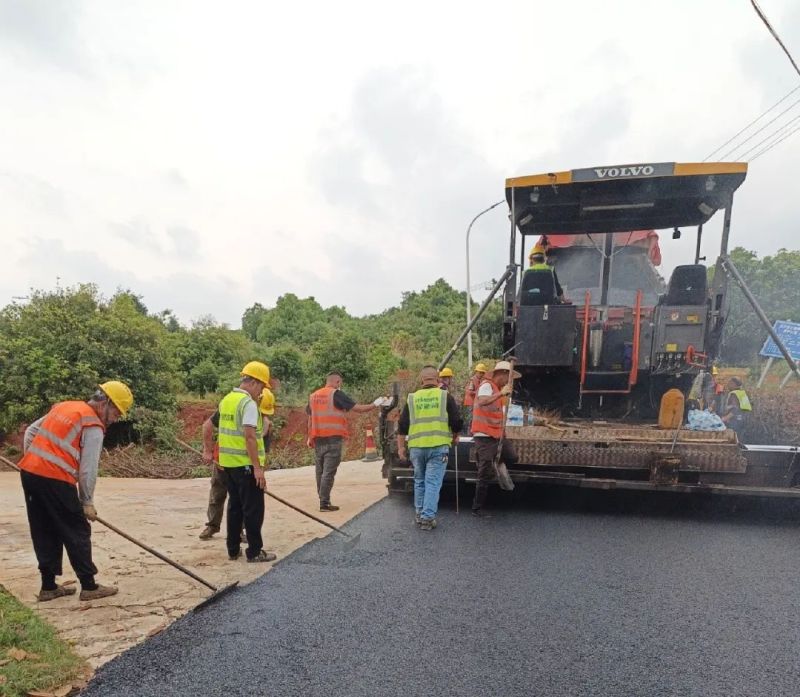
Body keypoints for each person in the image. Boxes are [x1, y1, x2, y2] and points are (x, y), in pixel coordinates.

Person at [18, 381, 133, 601]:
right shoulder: (93, 426)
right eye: (117, 412)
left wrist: (33, 459)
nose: (116, 418)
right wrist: (86, 501)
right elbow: (88, 470)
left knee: (44, 528)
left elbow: (31, 431)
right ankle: (89, 586)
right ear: (106, 403)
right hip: (55, 479)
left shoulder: (65, 407)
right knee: (77, 529)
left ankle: (48, 586)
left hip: (30, 473)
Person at [217, 362, 276, 563]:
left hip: (229, 465)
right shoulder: (247, 403)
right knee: (253, 509)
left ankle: (233, 550)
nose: (261, 392)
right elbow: (250, 437)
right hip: (246, 466)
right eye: (261, 387)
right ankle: (254, 551)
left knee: (235, 507)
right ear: (253, 382)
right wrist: (257, 469)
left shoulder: (227, 400)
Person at [199, 387, 275, 541]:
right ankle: (213, 525)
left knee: (240, 501)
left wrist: (260, 476)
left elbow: (262, 454)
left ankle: (238, 533)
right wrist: (207, 451)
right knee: (218, 495)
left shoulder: (264, 425)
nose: (264, 416)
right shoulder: (239, 408)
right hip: (223, 462)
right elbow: (206, 426)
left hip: (242, 467)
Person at [396, 366, 463, 530]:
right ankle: (427, 518)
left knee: (419, 480)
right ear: (438, 380)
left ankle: (420, 514)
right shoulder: (444, 396)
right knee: (432, 482)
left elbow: (402, 426)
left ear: (421, 381)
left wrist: (400, 448)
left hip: (417, 448)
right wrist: (455, 437)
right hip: (438, 447)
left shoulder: (412, 398)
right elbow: (456, 421)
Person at [307, 372, 382, 511]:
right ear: (338, 382)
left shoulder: (314, 396)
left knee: (320, 470)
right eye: (340, 383)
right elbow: (358, 409)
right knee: (328, 472)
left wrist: (309, 436)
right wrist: (375, 404)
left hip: (318, 439)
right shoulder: (336, 394)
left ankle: (322, 498)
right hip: (333, 439)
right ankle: (324, 503)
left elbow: (310, 418)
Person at [470, 360, 520, 517]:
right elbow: (483, 401)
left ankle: (494, 464)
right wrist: (501, 393)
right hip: (484, 436)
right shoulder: (487, 385)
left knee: (513, 456)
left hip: (497, 436)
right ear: (502, 374)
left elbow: (498, 415)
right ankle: (477, 508)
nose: (509, 382)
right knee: (484, 472)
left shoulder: (499, 390)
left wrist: (502, 433)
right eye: (508, 378)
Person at [462, 363, 487, 430]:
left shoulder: (480, 380)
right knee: (471, 418)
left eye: (483, 373)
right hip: (470, 402)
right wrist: (479, 393)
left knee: (474, 418)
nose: (482, 374)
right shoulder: (472, 380)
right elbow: (470, 392)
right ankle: (469, 432)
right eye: (480, 372)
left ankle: (473, 431)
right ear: (476, 372)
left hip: (474, 402)